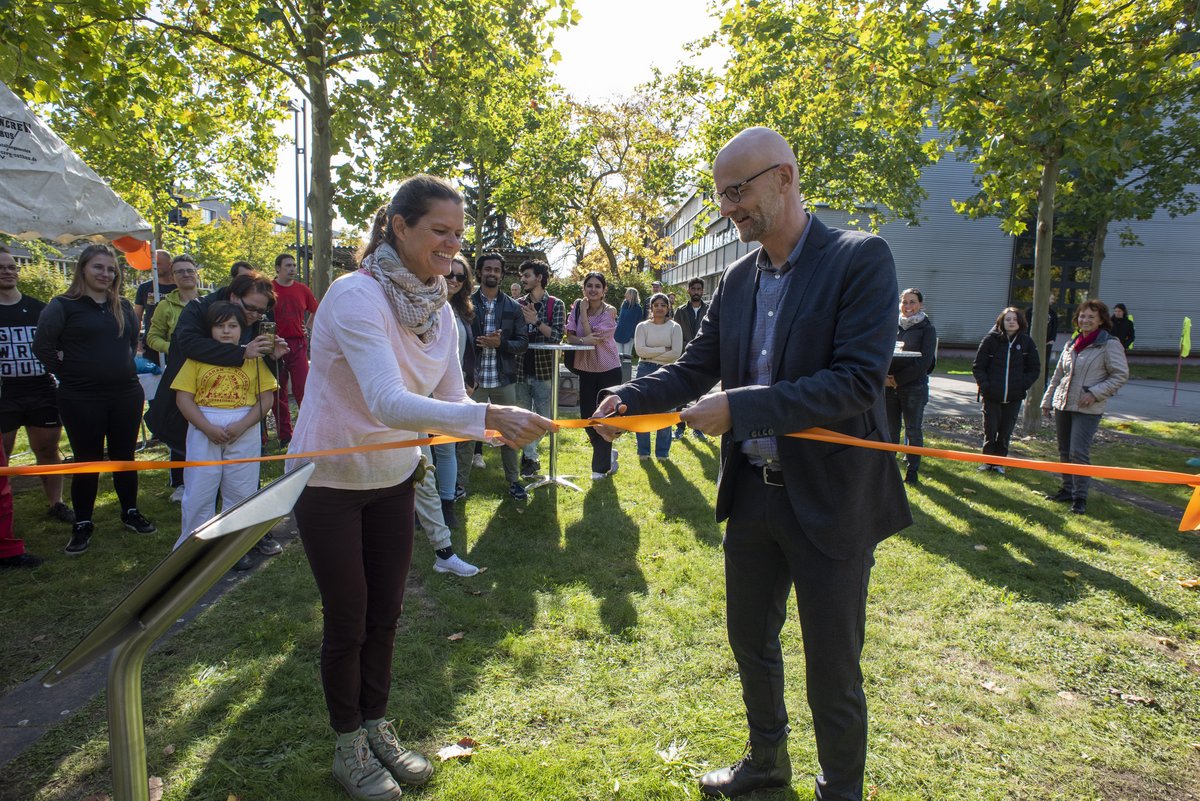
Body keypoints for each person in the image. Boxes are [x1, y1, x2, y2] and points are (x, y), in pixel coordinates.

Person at [594, 127, 910, 801]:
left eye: (739, 190)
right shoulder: (737, 279)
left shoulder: (861, 258)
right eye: (721, 196)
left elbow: (854, 382)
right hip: (754, 498)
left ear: (786, 177)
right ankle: (767, 764)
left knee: (833, 667)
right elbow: (696, 368)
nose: (730, 207)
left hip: (829, 500)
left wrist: (740, 407)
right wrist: (629, 396)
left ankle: (840, 790)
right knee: (751, 644)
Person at [286, 175, 553, 801]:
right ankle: (347, 745)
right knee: (348, 616)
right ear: (398, 228)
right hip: (328, 480)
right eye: (440, 231)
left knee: (386, 613)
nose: (452, 245)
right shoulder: (355, 296)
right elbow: (386, 400)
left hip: (394, 478)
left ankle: (377, 727)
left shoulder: (441, 312)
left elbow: (449, 401)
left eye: (459, 234)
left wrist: (497, 430)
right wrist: (489, 417)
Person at [146, 270, 289, 561]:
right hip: (201, 416)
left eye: (262, 311)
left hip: (244, 420)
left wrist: (272, 357)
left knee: (243, 485)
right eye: (250, 309)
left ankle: (240, 542)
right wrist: (241, 353)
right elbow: (187, 347)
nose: (254, 316)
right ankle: (196, 548)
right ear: (234, 297)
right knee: (201, 487)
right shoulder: (199, 310)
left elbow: (265, 387)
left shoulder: (256, 320)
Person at [33, 244, 157, 556]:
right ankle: (83, 522)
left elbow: (130, 344)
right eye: (98, 267)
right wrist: (68, 371)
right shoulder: (62, 305)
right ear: (83, 270)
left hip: (126, 393)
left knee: (124, 456)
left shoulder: (124, 307)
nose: (105, 274)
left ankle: (130, 512)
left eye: (111, 268)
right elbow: (43, 346)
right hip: (80, 396)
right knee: (87, 460)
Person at [171, 302, 277, 547]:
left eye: (232, 326)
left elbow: (266, 398)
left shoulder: (254, 360)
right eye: (220, 326)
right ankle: (193, 544)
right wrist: (206, 427)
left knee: (241, 489)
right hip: (203, 430)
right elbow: (183, 398)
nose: (226, 331)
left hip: (244, 430)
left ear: (242, 329)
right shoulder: (196, 360)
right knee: (199, 489)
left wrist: (242, 425)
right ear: (210, 329)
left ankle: (233, 546)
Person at [0, 247, 72, 524]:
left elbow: (59, 343)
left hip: (41, 387)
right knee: (3, 454)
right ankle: (5, 510)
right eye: (1, 267)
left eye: (11, 267)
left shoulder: (40, 308)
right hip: (6, 391)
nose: (7, 271)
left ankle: (56, 503)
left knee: (47, 449)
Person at [1041, 299, 1129, 515]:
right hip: (1064, 404)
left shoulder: (1109, 344)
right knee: (1064, 450)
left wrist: (1094, 393)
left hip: (1088, 408)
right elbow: (1058, 375)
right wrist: (1047, 399)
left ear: (1101, 320)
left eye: (1091, 316)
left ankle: (1080, 498)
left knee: (1078, 452)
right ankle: (1067, 489)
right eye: (1082, 316)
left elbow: (1120, 375)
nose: (1085, 320)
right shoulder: (1072, 344)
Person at [457, 252, 529, 501]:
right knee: (466, 435)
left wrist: (501, 344)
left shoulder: (512, 306)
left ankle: (514, 481)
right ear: (479, 272)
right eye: (487, 269)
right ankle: (459, 485)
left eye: (497, 270)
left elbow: (522, 343)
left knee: (509, 433)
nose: (492, 274)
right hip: (473, 381)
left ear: (502, 274)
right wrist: (479, 343)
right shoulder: (464, 302)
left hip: (502, 379)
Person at [146, 254, 202, 500]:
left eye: (190, 270)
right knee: (180, 423)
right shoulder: (165, 306)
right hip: (179, 371)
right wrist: (175, 348)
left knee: (203, 423)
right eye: (180, 271)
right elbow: (152, 337)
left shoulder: (210, 302)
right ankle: (179, 481)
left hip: (208, 372)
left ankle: (207, 476)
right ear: (173, 276)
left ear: (197, 273)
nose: (186, 275)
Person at [565, 270, 621, 480]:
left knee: (605, 416)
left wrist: (584, 315)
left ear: (604, 290)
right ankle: (607, 453)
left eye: (598, 286)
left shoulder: (610, 311)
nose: (593, 289)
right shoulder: (577, 308)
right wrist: (582, 337)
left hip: (608, 369)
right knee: (586, 416)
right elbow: (570, 336)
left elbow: (594, 339)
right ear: (584, 288)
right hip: (586, 367)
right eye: (589, 286)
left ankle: (599, 468)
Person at [972, 307, 1040, 473]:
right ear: (1001, 321)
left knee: (1005, 433)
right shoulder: (990, 340)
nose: (1011, 322)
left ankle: (999, 463)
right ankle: (987, 461)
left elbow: (1034, 368)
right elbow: (978, 366)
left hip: (1014, 397)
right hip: (992, 396)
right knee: (990, 430)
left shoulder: (1026, 342)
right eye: (1007, 319)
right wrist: (985, 386)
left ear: (1020, 322)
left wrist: (1022, 384)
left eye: (1014, 319)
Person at [514, 258, 565, 478]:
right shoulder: (516, 304)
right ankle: (530, 459)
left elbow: (555, 337)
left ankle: (529, 454)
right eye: (522, 276)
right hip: (520, 370)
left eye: (527, 275)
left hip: (544, 369)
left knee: (545, 418)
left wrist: (535, 321)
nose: (522, 279)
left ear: (539, 278)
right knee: (523, 418)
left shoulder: (556, 304)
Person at [886, 288, 936, 484]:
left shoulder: (927, 329)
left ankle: (912, 470)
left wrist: (898, 379)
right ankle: (889, 470)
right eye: (904, 302)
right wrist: (886, 379)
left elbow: (924, 363)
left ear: (920, 305)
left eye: (912, 302)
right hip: (888, 387)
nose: (908, 306)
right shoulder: (891, 325)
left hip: (914, 387)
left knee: (913, 430)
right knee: (890, 429)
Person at [271, 252, 320, 446]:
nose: (292, 269)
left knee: (304, 389)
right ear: (277, 268)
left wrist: (307, 328)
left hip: (298, 344)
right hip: (275, 345)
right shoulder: (269, 288)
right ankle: (285, 435)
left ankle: (310, 431)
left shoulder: (302, 289)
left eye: (293, 265)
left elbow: (317, 309)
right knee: (278, 391)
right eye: (288, 265)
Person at [633, 293, 682, 460]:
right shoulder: (642, 327)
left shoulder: (675, 327)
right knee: (643, 411)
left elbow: (675, 354)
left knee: (665, 411)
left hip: (666, 371)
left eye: (663, 305)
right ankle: (643, 452)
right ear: (651, 308)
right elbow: (640, 351)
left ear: (668, 308)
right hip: (644, 370)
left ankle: (662, 453)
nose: (659, 308)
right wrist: (663, 350)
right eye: (656, 305)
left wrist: (651, 354)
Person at [445, 254, 475, 508]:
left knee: (448, 445)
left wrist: (470, 378)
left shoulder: (461, 308)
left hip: (456, 388)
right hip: (427, 388)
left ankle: (449, 497)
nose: (453, 280)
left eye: (460, 276)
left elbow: (467, 350)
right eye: (449, 274)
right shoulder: (423, 304)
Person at [673, 277, 710, 441]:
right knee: (681, 392)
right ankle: (679, 428)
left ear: (703, 291)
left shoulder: (709, 310)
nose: (696, 292)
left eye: (699, 289)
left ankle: (699, 428)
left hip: (704, 355)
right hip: (684, 355)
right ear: (689, 291)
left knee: (702, 394)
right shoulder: (680, 311)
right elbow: (676, 333)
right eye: (693, 289)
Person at [133, 249, 175, 366]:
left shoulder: (179, 288)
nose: (154, 266)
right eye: (152, 263)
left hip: (175, 343)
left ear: (170, 264)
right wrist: (136, 340)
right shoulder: (144, 288)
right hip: (151, 343)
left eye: (158, 263)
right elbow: (137, 316)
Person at [614, 287, 643, 361]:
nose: (625, 294)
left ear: (631, 295)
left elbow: (639, 323)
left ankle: (626, 372)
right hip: (619, 333)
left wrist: (633, 335)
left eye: (627, 293)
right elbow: (620, 319)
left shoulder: (637, 308)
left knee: (627, 357)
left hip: (629, 335)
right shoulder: (624, 305)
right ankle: (619, 372)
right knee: (618, 357)